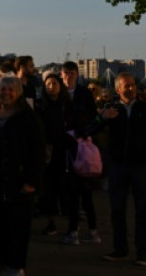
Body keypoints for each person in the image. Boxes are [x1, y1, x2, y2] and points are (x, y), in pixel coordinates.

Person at [0, 75, 46, 276]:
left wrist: (32, 181)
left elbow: (38, 151)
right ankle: (0, 262)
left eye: (10, 89)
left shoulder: (28, 117)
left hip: (18, 181)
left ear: (18, 92)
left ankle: (16, 267)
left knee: (17, 227)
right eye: (3, 89)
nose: (6, 93)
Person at [96, 72, 146, 267]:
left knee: (142, 211)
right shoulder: (112, 109)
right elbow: (90, 131)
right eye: (126, 86)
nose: (131, 88)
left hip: (142, 168)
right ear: (118, 89)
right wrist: (101, 117)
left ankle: (143, 253)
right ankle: (120, 249)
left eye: (132, 85)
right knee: (117, 210)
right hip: (118, 167)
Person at [59, 62, 100, 246]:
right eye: (66, 73)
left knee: (81, 192)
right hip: (65, 145)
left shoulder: (84, 94)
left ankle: (78, 231)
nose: (68, 76)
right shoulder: (59, 92)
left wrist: (83, 134)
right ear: (62, 74)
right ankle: (89, 231)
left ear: (77, 74)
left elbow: (92, 117)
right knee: (75, 192)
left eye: (72, 73)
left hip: (80, 146)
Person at [34, 73, 69, 238]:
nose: (51, 86)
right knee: (48, 186)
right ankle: (51, 220)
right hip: (47, 150)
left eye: (54, 83)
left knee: (64, 185)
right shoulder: (40, 105)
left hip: (63, 149)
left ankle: (69, 220)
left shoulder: (66, 104)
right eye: (48, 84)